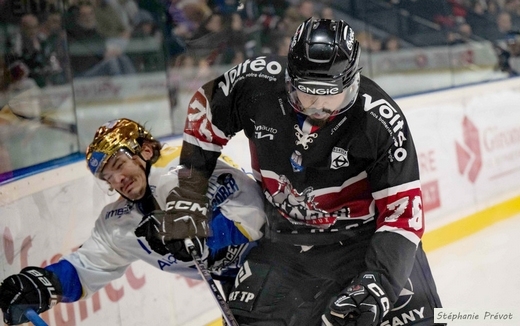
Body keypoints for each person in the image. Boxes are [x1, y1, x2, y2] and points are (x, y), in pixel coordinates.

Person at [143, 18, 444, 325]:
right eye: (306, 93)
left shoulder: (379, 119)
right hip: (284, 243)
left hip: (363, 245)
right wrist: (190, 192)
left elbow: (402, 214)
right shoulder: (257, 82)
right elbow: (205, 112)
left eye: (328, 94)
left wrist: (380, 283)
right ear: (289, 78)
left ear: (352, 81)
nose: (316, 106)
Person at [0, 118, 266, 325]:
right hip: (239, 280)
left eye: (118, 164)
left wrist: (203, 229)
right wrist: (44, 285)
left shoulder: (184, 163)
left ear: (147, 151)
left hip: (284, 253)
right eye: (107, 177)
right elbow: (87, 265)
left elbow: (254, 211)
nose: (117, 181)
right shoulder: (121, 219)